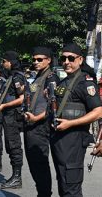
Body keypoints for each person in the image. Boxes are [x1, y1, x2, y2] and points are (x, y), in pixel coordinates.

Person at [50, 43, 102, 196]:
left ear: (80, 60)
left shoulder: (85, 83)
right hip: (60, 140)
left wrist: (70, 123)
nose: (66, 61)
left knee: (71, 189)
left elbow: (99, 112)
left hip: (73, 141)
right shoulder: (63, 82)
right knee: (63, 185)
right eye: (63, 58)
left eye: (71, 58)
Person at [23, 47, 59, 196]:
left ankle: (44, 193)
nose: (36, 62)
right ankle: (42, 192)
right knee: (33, 162)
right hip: (31, 124)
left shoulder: (51, 78)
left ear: (48, 60)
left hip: (40, 125)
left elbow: (54, 105)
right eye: (34, 59)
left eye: (40, 59)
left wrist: (36, 118)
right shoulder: (38, 77)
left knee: (39, 162)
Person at [0, 51, 26, 189]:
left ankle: (17, 177)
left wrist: (5, 105)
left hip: (13, 117)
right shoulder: (10, 76)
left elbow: (22, 98)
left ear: (11, 62)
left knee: (14, 146)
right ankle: (15, 176)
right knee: (10, 146)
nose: (3, 64)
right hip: (7, 116)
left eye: (4, 61)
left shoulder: (17, 77)